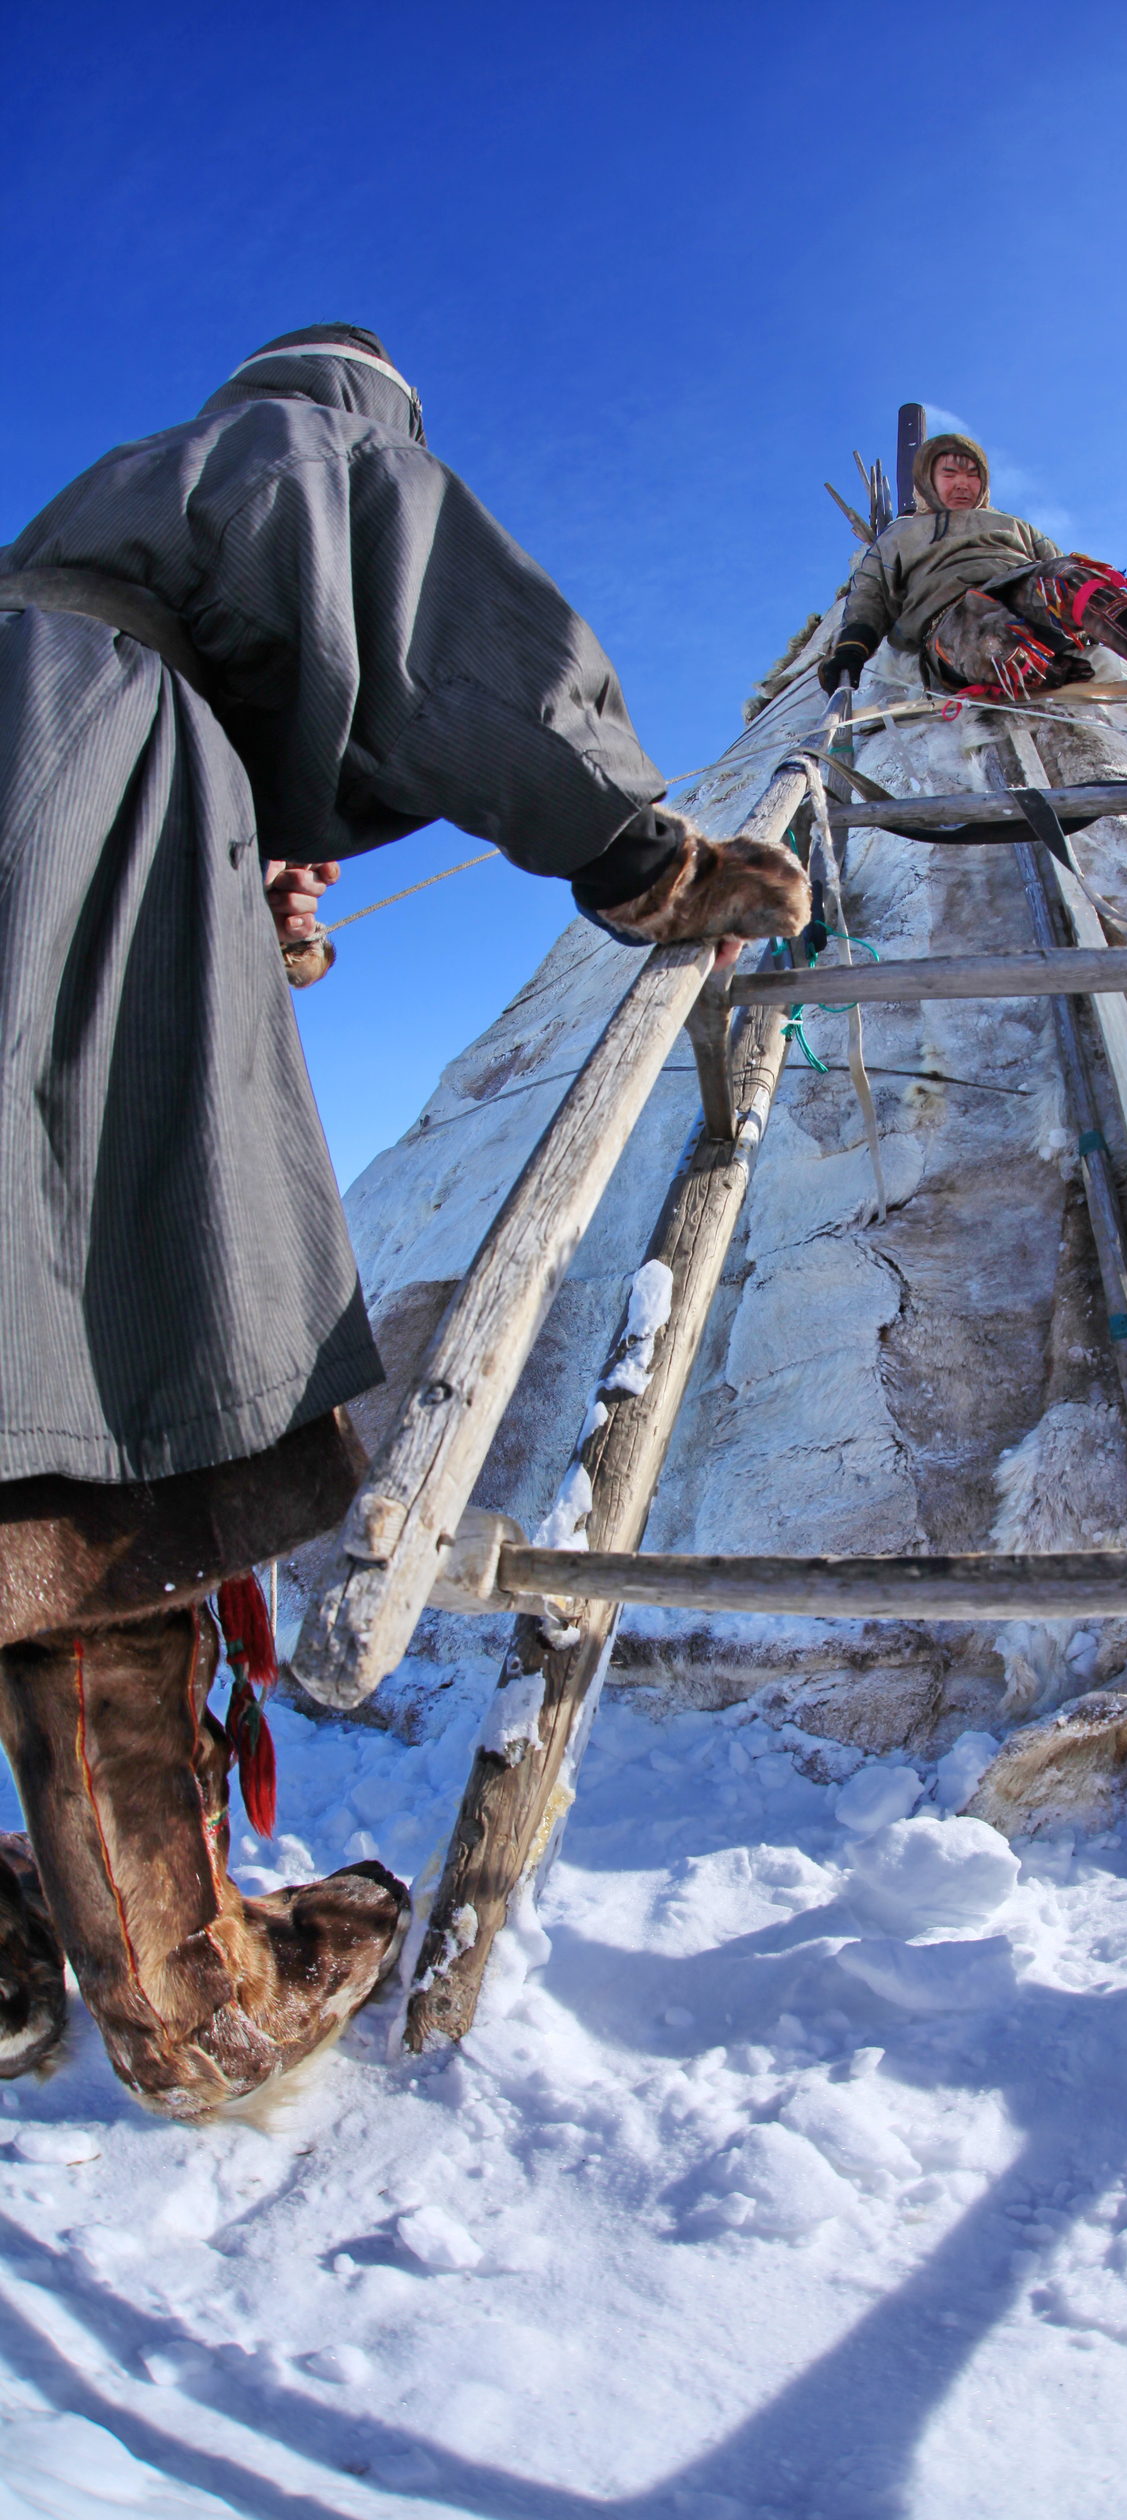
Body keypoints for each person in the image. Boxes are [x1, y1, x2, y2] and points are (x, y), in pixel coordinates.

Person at [0, 325, 808, 2118]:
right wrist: (643, 858)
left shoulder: (99, 539)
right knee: (96, 1368)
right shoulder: (301, 444)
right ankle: (186, 1995)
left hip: (50, 801)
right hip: (77, 826)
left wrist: (234, 869)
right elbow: (438, 614)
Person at [817, 431, 1127, 701]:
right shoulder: (898, 536)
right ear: (928, 481)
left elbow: (1055, 564)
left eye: (972, 474)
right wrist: (851, 650)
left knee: (1070, 579)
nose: (963, 483)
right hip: (949, 614)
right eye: (949, 474)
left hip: (1018, 584)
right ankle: (1047, 672)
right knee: (984, 629)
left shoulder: (1013, 525)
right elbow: (871, 598)